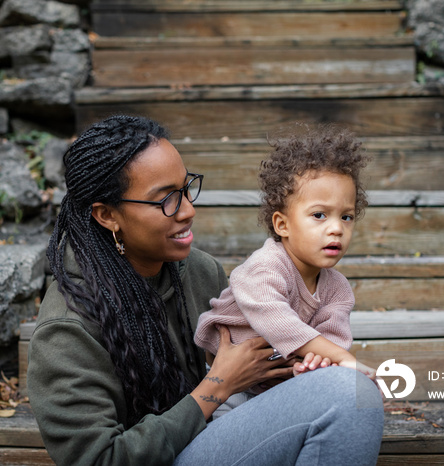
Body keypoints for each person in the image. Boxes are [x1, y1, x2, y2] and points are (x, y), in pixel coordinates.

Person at [27, 115, 384, 466]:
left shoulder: (197, 271)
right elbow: (101, 458)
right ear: (107, 215)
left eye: (186, 189)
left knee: (348, 393)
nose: (187, 210)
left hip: (213, 438)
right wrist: (218, 384)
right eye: (166, 199)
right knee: (346, 393)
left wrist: (293, 369)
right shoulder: (67, 327)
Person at [194, 125, 374, 401]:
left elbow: (331, 339)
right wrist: (341, 357)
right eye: (319, 215)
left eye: (346, 217)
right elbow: (276, 320)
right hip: (224, 384)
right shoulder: (265, 267)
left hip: (274, 383)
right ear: (282, 224)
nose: (337, 228)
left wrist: (317, 363)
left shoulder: (336, 288)